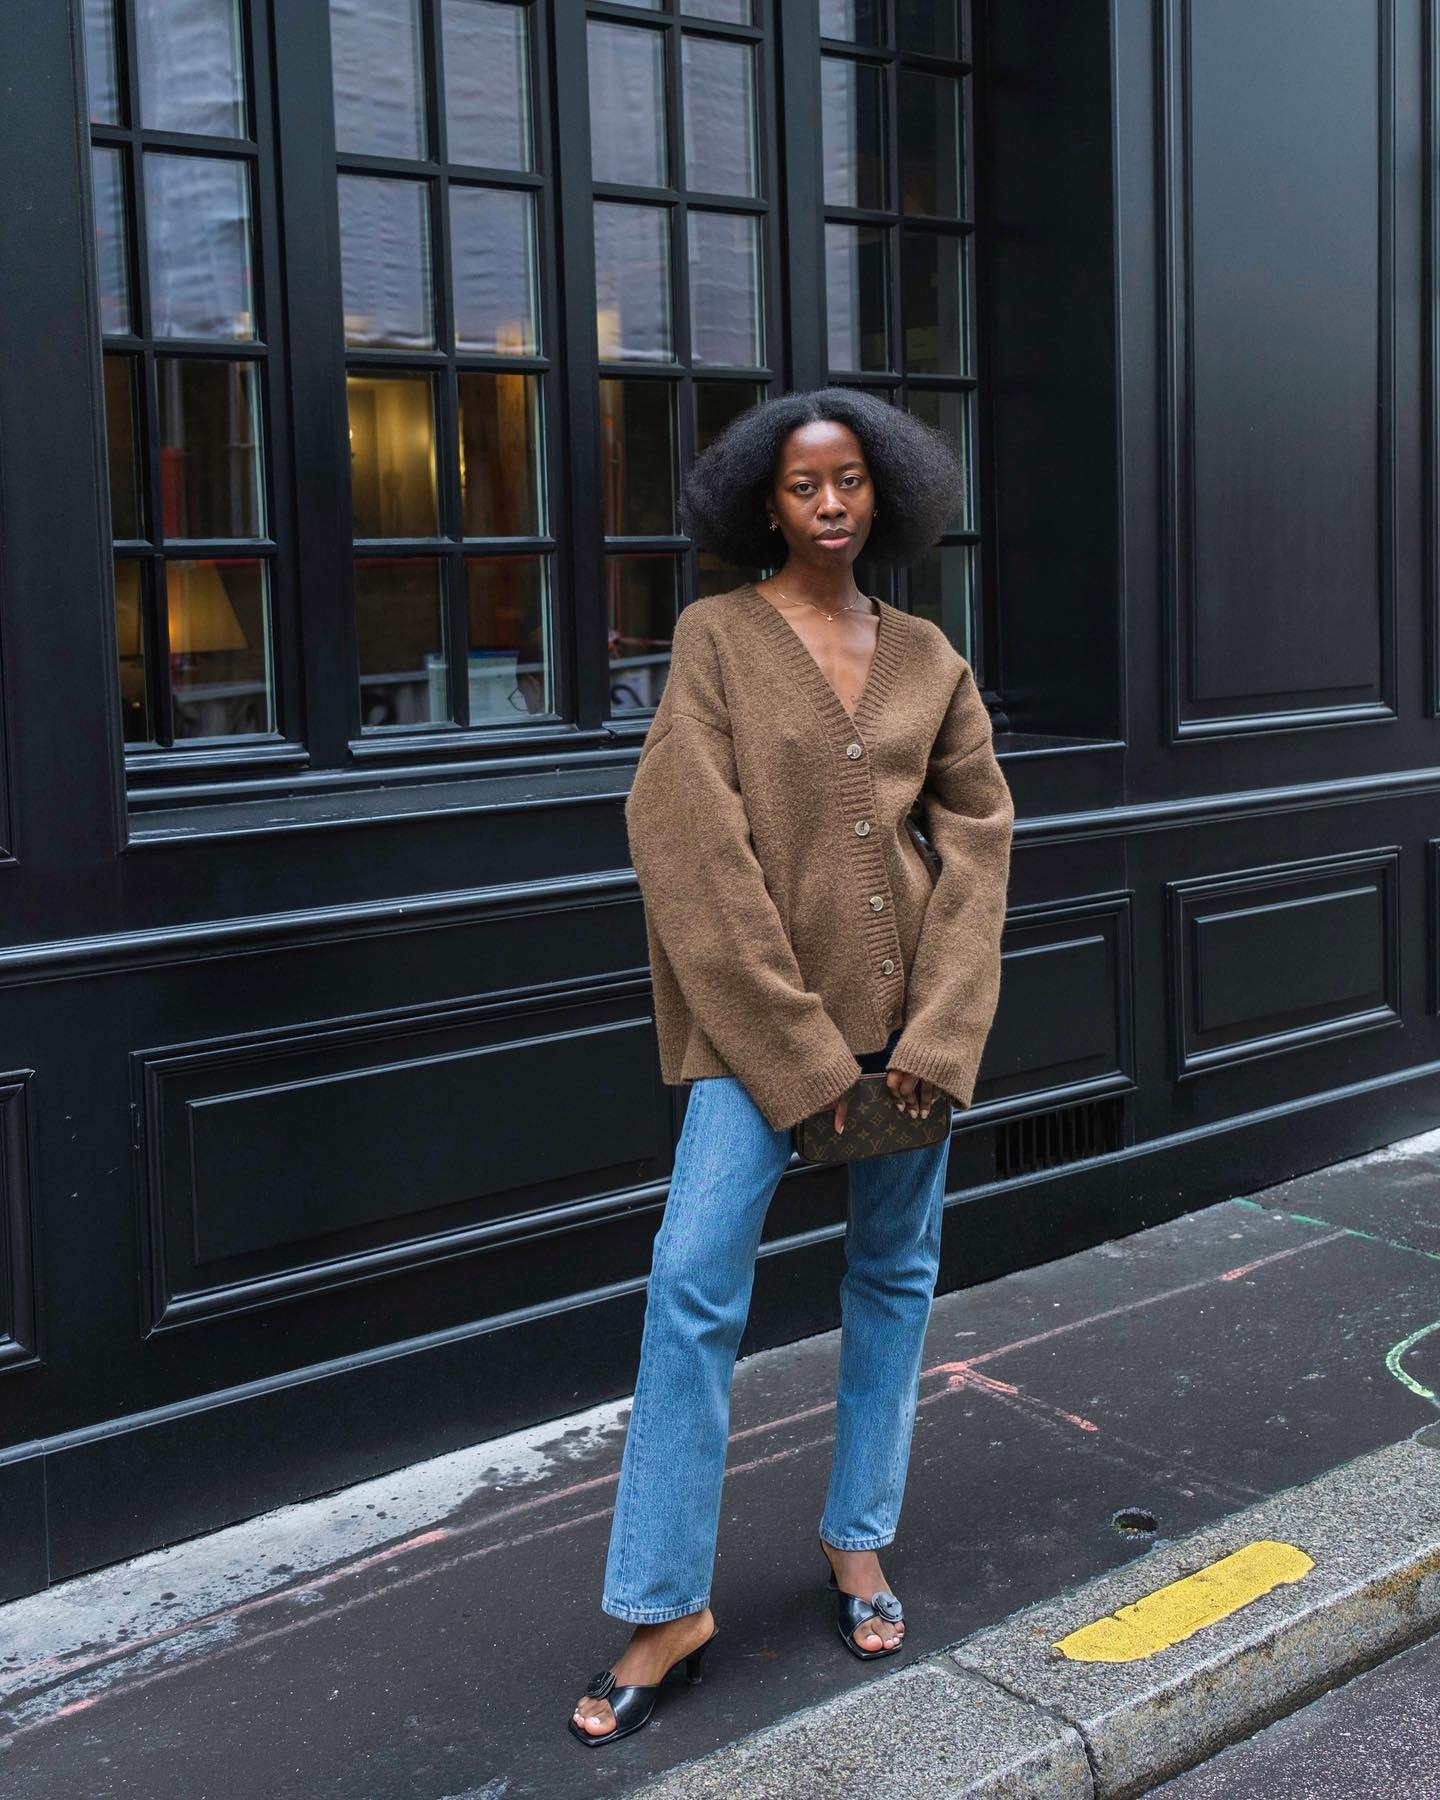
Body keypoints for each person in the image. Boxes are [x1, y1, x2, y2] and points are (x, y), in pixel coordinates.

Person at [568, 387, 1015, 1747]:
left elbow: (979, 839)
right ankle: (664, 1603)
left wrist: (940, 1038)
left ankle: (858, 1540)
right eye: (805, 484)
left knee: (893, 1278)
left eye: (853, 482)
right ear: (763, 500)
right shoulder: (713, 641)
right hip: (754, 1043)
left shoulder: (930, 656)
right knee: (694, 1283)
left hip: (910, 1038)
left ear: (887, 495)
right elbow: (683, 838)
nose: (832, 504)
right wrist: (800, 1055)